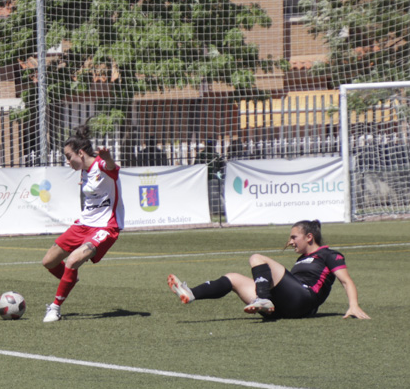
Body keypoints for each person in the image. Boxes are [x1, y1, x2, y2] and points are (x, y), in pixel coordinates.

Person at [167, 220, 370, 319]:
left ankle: (263, 299)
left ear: (309, 237)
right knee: (233, 277)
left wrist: (353, 305)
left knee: (256, 258)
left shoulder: (329, 255)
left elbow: (346, 280)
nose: (290, 242)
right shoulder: (302, 259)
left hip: (304, 300)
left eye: (293, 237)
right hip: (284, 308)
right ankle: (191, 293)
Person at [40, 124, 123, 323]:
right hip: (83, 225)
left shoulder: (101, 165)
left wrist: (108, 157)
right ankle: (70, 278)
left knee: (72, 261)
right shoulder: (84, 171)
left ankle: (55, 307)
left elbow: (111, 167)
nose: (67, 162)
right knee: (49, 261)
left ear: (80, 153)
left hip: (105, 227)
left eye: (69, 157)